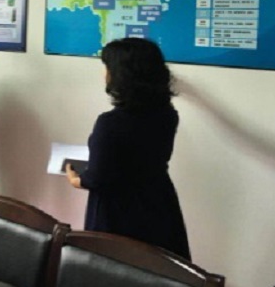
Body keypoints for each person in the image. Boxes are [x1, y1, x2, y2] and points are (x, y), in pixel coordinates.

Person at [65, 37, 191, 260]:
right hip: (159, 204)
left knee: (116, 269)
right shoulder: (168, 115)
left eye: (107, 67)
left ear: (121, 75)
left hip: (118, 214)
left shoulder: (110, 123)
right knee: (160, 268)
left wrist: (77, 180)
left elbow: (99, 179)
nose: (104, 73)